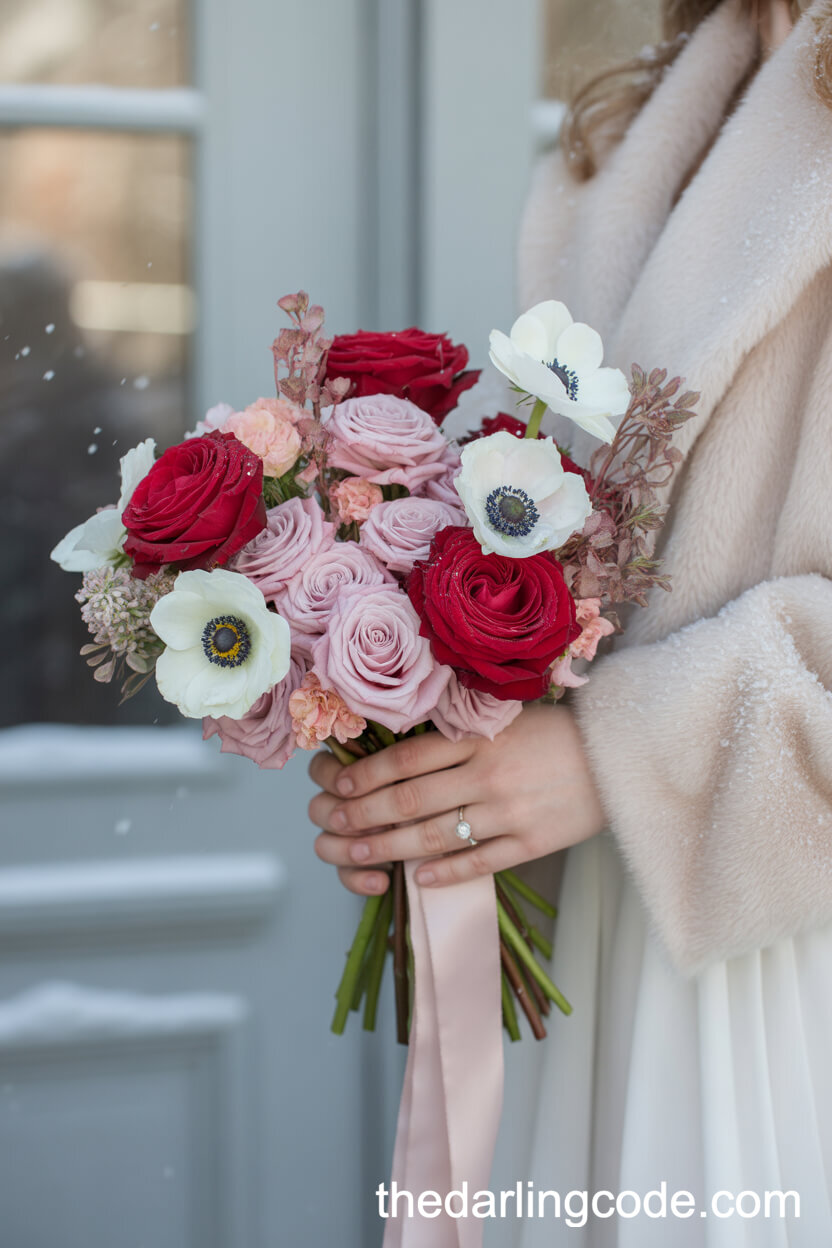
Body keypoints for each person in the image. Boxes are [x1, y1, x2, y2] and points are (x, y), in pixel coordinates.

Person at [308, 0, 832, 1240]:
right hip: (603, 938)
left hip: (781, 963)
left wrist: (620, 756)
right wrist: (415, 734)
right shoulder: (645, 121)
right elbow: (561, 538)